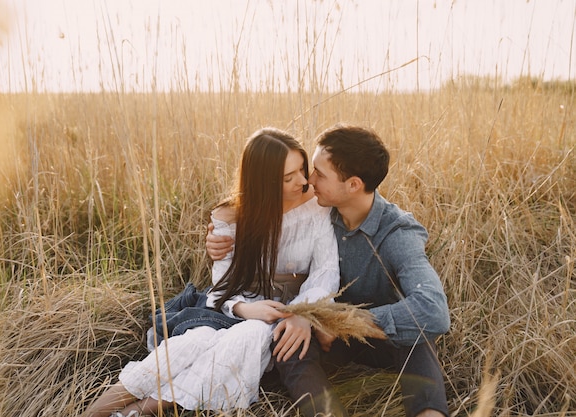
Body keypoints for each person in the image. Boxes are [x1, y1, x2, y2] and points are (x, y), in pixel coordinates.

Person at [83, 127, 341, 417]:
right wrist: (246, 308)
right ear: (262, 182)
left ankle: (140, 411)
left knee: (248, 336)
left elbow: (325, 273)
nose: (303, 181)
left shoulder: (317, 207)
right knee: (190, 344)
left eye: (302, 170)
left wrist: (301, 312)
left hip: (284, 312)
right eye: (288, 177)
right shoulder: (230, 217)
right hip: (232, 307)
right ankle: (94, 412)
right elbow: (221, 286)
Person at [206, 125, 451, 417]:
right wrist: (220, 237)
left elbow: (434, 312)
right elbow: (266, 201)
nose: (308, 181)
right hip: (326, 340)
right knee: (290, 342)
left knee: (418, 337)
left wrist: (336, 320)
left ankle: (429, 413)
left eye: (319, 175)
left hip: (378, 335)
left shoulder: (398, 234)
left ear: (353, 185)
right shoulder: (320, 208)